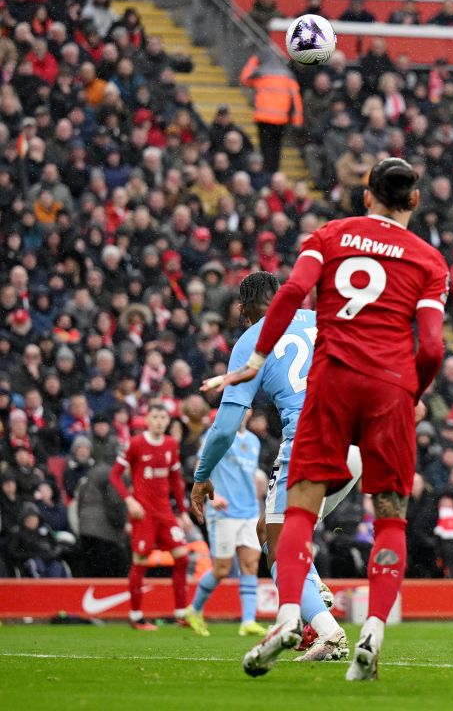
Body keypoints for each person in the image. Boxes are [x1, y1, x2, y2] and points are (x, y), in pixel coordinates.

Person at [206, 158, 447, 681]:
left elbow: (291, 294)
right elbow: (430, 345)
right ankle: (374, 632)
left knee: (292, 516)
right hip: (387, 391)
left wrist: (254, 356)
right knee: (389, 516)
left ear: (366, 197)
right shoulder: (430, 261)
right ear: (415, 201)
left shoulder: (329, 236)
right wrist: (414, 391)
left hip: (332, 391)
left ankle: (293, 615)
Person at [191, 272, 356, 661]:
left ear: (245, 308)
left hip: (309, 445)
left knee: (280, 548)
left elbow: (226, 426)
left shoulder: (253, 340)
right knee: (274, 528)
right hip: (355, 443)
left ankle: (323, 626)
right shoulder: (321, 318)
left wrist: (201, 477)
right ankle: (313, 592)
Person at [109, 403, 190, 630]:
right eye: (155, 417)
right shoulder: (135, 444)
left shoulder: (171, 445)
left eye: (163, 417)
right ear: (147, 419)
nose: (159, 421)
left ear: (167, 421)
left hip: (165, 513)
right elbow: (114, 475)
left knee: (182, 557)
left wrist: (182, 513)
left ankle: (181, 614)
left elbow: (175, 480)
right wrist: (130, 500)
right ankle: (136, 617)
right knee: (140, 562)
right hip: (143, 513)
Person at [185, 414, 265, 638]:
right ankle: (194, 609)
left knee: (250, 564)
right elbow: (200, 466)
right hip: (223, 512)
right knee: (221, 569)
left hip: (249, 511)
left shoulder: (253, 441)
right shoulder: (217, 434)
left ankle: (248, 621)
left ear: (250, 412)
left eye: (247, 408)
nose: (243, 411)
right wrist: (214, 495)